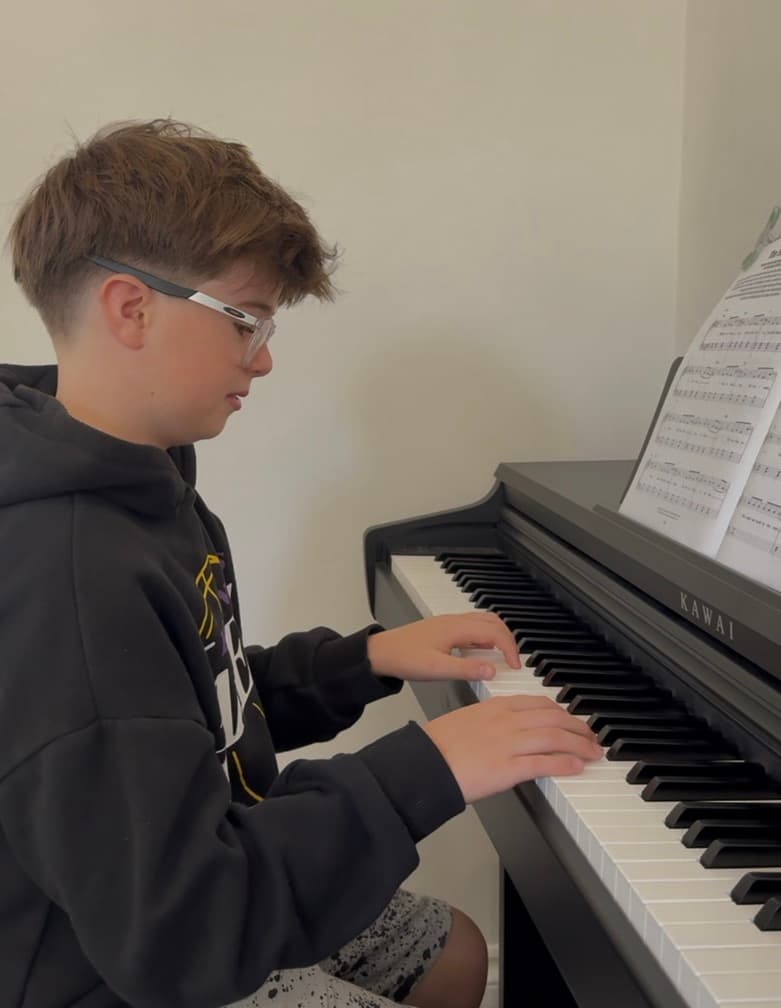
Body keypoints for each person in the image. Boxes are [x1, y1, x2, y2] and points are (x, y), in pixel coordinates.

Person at [0, 119, 603, 1008]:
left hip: (179, 874)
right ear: (131, 308)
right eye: (246, 322)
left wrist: (363, 660)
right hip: (113, 957)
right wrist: (423, 769)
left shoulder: (146, 474)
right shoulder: (68, 570)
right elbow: (178, 932)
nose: (266, 359)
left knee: (453, 951)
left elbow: (188, 706)